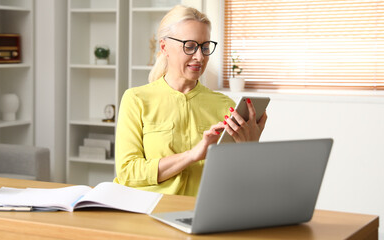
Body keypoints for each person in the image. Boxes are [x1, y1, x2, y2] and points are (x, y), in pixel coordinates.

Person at [113, 5, 268, 196]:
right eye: (190, 46)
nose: (199, 57)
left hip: (203, 212)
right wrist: (193, 155)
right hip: (148, 209)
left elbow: (239, 183)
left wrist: (249, 149)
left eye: (204, 47)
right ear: (164, 47)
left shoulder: (225, 106)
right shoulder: (136, 99)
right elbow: (128, 172)